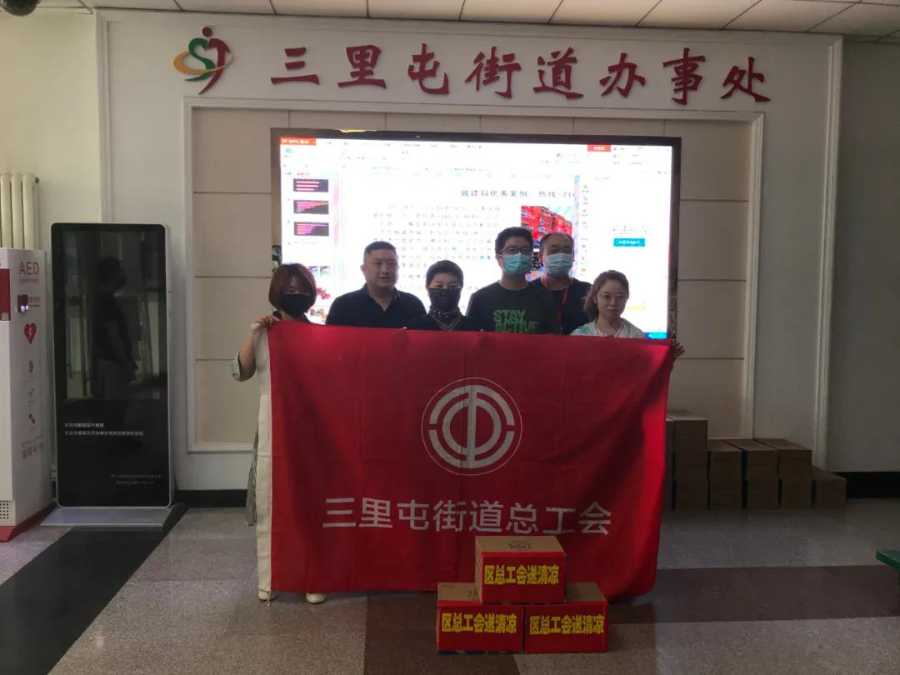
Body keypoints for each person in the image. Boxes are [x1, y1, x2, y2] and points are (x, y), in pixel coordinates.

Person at [232, 263, 327, 605]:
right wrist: (254, 333)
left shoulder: (320, 334)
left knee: (309, 504)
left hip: (313, 430)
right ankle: (270, 578)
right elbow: (239, 372)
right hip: (273, 428)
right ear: (276, 293)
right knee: (271, 503)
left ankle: (311, 577)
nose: (295, 294)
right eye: (289, 289)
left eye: (302, 289)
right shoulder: (264, 331)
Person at [466, 227, 560, 334]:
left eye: (525, 250)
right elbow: (469, 340)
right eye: (512, 250)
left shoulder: (544, 297)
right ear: (499, 257)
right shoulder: (480, 298)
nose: (519, 255)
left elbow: (553, 338)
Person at [572, 269, 686, 356]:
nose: (613, 303)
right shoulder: (579, 336)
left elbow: (649, 373)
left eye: (620, 297)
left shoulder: (636, 337)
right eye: (606, 296)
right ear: (595, 298)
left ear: (627, 298)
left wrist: (668, 357)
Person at [326, 241, 425, 327]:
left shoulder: (413, 304)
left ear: (398, 268)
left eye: (391, 264)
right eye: (378, 264)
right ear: (364, 269)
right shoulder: (343, 305)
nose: (385, 270)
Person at [531, 232, 591, 335]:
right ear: (540, 256)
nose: (561, 255)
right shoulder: (529, 291)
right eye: (554, 250)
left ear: (573, 257)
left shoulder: (588, 291)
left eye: (567, 251)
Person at [405, 260, 475, 331]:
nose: (445, 290)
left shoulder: (473, 328)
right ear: (427, 287)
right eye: (439, 286)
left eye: (452, 286)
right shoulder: (414, 327)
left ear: (461, 288)